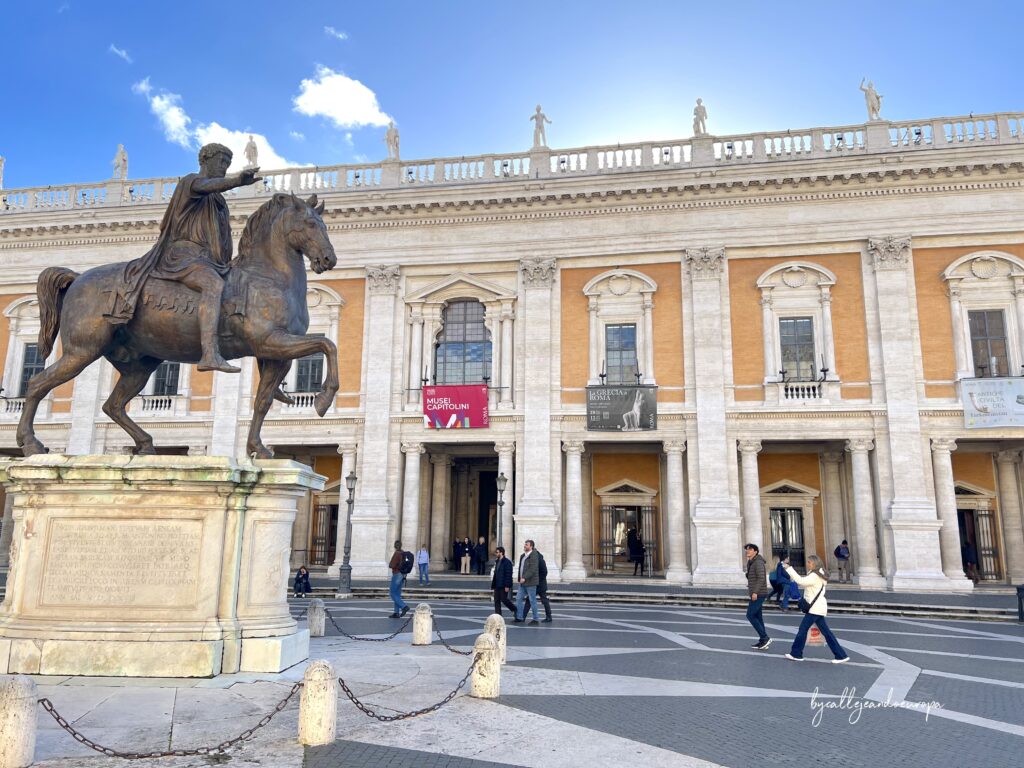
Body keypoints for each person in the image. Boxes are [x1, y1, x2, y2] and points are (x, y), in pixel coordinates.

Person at [107, 142, 260, 373]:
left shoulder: (217, 200)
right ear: (206, 160)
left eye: (228, 164)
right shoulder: (191, 182)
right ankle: (209, 353)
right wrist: (238, 180)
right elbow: (208, 185)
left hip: (208, 260)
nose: (224, 167)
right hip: (183, 255)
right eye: (221, 162)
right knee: (213, 284)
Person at [783, 554, 850, 663]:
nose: (807, 564)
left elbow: (801, 581)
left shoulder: (815, 576)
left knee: (802, 630)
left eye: (809, 562)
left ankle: (796, 653)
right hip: (817, 607)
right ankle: (841, 655)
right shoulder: (817, 575)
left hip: (815, 608)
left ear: (815, 563)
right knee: (827, 633)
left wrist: (789, 569)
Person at [744, 543, 771, 649]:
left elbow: (761, 578)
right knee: (758, 617)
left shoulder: (758, 562)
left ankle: (765, 638)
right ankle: (763, 641)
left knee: (750, 615)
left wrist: (755, 592)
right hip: (756, 592)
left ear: (755, 551)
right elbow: (753, 576)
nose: (747, 551)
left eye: (750, 549)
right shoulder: (751, 562)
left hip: (759, 593)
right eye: (747, 549)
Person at [514, 539, 541, 625]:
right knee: (518, 599)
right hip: (522, 582)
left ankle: (536, 619)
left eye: (526, 545)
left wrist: (524, 577)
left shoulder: (534, 555)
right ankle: (520, 617)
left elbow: (533, 569)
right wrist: (520, 578)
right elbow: (520, 568)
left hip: (531, 582)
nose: (524, 546)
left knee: (532, 600)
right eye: (525, 544)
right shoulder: (523, 556)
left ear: (531, 546)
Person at [523, 547, 553, 623]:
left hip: (540, 584)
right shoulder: (534, 559)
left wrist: (538, 580)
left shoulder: (540, 559)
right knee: (529, 600)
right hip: (534, 584)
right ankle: (523, 617)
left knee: (544, 600)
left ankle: (549, 616)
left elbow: (544, 572)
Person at [386, 540, 410, 618]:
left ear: (395, 546)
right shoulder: (403, 553)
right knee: (397, 594)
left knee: (392, 593)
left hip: (397, 574)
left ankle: (404, 606)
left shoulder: (397, 553)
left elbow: (391, 565)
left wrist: (392, 564)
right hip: (403, 575)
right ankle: (396, 613)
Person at [491, 546, 517, 617]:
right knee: (496, 600)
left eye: (497, 552)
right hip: (497, 584)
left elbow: (508, 574)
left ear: (501, 553)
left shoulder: (507, 562)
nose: (496, 554)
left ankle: (514, 609)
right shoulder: (497, 561)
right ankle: (498, 616)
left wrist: (507, 585)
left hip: (503, 584)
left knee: (504, 600)